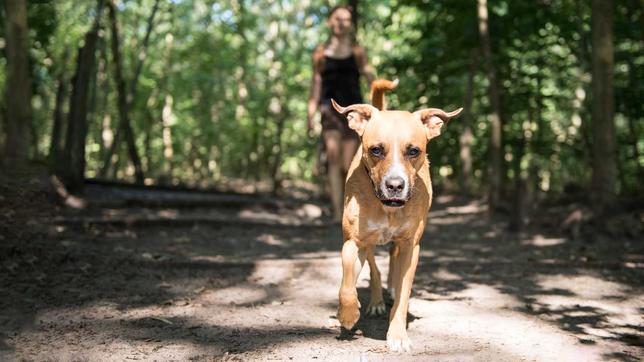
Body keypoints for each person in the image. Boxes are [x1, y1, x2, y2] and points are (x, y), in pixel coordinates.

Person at [307, 5, 375, 222]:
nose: (341, 23)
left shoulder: (357, 52)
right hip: (329, 111)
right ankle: (338, 213)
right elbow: (315, 86)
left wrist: (380, 100)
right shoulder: (320, 52)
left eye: (346, 19)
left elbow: (369, 77)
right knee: (333, 160)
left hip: (354, 112)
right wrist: (310, 115)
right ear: (329, 22)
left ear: (350, 24)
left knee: (348, 165)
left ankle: (351, 208)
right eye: (337, 18)